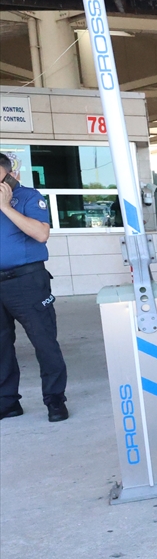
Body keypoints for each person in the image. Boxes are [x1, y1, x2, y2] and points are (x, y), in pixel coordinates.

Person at [0, 152, 68, 422]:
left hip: (27, 282)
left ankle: (54, 400)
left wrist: (5, 207)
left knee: (43, 341)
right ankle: (7, 403)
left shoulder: (28, 197)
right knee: (1, 346)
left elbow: (41, 234)